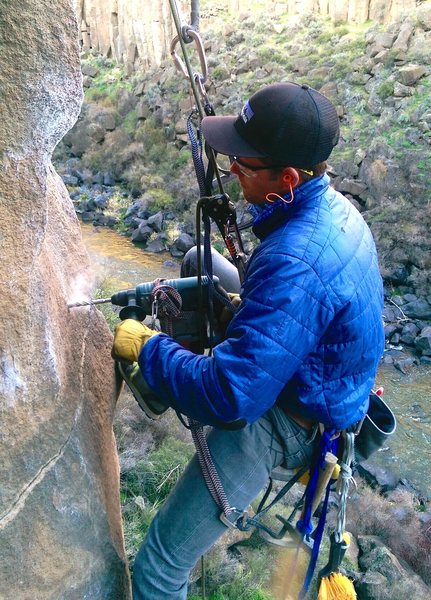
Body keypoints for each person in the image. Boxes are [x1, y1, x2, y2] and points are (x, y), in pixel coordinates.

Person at [112, 82, 384, 599]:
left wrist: (150, 349)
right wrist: (250, 312)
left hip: (288, 422)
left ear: (285, 178)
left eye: (243, 162)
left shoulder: (295, 259)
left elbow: (232, 398)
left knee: (159, 568)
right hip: (328, 385)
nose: (231, 168)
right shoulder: (331, 208)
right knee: (200, 265)